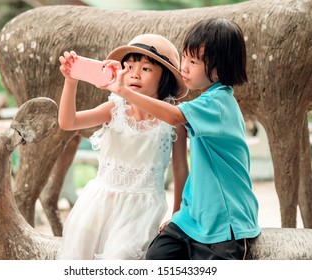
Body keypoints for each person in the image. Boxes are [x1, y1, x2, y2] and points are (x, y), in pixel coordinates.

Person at [102, 18, 262, 260]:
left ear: (218, 69)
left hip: (225, 221)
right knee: (156, 257)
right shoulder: (204, 102)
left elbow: (173, 115)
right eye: (184, 58)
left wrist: (124, 91)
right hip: (191, 218)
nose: (184, 67)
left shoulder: (218, 103)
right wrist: (177, 213)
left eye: (193, 62)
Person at [57, 34, 189, 260]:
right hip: (100, 203)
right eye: (128, 67)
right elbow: (68, 122)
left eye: (146, 69)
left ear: (164, 77)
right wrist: (71, 81)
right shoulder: (114, 108)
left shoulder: (173, 118)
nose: (134, 74)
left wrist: (177, 214)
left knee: (120, 258)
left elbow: (180, 169)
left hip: (142, 209)